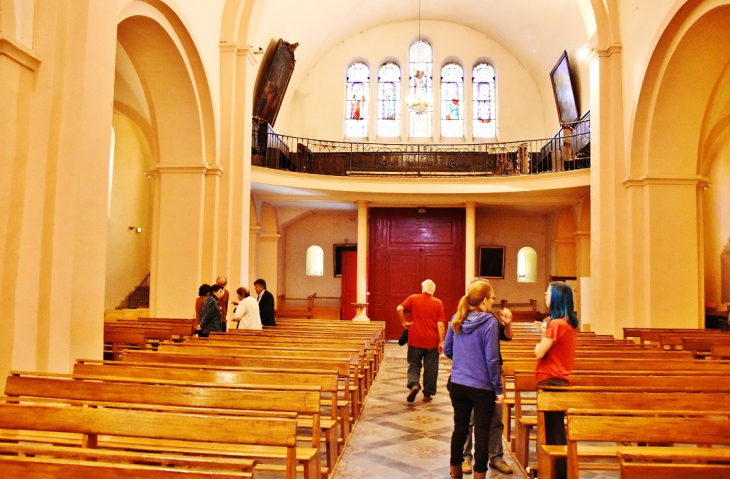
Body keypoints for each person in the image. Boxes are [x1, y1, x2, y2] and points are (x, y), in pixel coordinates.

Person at [443, 280, 504, 479]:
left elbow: (448, 349)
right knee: (482, 432)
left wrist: (463, 362)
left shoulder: (457, 317)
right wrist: (498, 388)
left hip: (459, 384)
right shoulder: (490, 322)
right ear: (485, 300)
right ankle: (479, 475)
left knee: (459, 429)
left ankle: (455, 472)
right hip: (482, 386)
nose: (493, 301)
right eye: (493, 298)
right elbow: (492, 359)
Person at [462, 279, 514, 475]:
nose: (492, 300)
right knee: (468, 419)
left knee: (495, 418)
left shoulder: (491, 318)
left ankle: (496, 457)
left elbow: (507, 336)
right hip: (473, 375)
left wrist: (508, 324)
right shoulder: (463, 316)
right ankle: (466, 457)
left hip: (493, 374)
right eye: (491, 297)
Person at [534, 281, 579, 479]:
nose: (545, 294)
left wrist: (543, 333)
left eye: (549, 292)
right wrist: (546, 330)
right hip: (561, 379)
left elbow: (539, 352)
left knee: (553, 433)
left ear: (558, 298)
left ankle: (557, 474)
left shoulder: (555, 324)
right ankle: (557, 472)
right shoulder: (569, 323)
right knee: (557, 428)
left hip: (550, 379)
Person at [397, 279, 447, 403]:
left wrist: (404, 322)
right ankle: (428, 394)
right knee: (431, 368)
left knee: (414, 365)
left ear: (422, 288)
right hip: (431, 340)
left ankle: (414, 384)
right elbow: (440, 324)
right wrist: (441, 341)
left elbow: (399, 308)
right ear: (433, 291)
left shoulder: (413, 298)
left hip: (415, 338)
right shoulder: (438, 303)